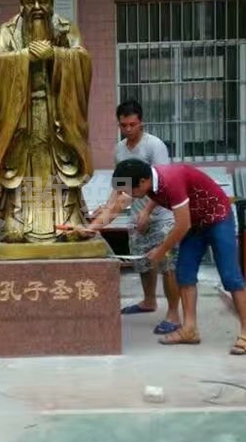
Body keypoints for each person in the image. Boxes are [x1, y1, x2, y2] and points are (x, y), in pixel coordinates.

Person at [79, 158, 246, 355]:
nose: (130, 196)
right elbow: (117, 206)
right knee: (185, 274)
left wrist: (160, 250)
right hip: (195, 224)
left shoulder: (172, 180)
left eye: (131, 191)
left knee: (231, 277)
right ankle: (189, 330)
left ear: (143, 182)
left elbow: (182, 225)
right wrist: (90, 229)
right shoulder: (147, 180)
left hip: (218, 219)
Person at [0, 0, 94, 243]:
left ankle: (68, 219)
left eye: (44, 0)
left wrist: (56, 55)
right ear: (21, 2)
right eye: (31, 1)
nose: (37, 7)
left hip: (58, 114)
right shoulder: (8, 31)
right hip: (21, 115)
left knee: (65, 165)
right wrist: (25, 57)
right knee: (20, 166)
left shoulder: (66, 28)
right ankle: (17, 220)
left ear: (52, 1)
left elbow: (83, 61)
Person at [91, 99, 181, 334]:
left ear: (141, 122)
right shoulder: (119, 149)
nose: (128, 129)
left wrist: (148, 211)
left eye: (133, 124)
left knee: (167, 263)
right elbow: (120, 185)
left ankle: (173, 314)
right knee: (142, 261)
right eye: (124, 125)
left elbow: (164, 182)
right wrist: (107, 208)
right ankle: (149, 301)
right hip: (135, 212)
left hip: (162, 214)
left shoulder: (154, 146)